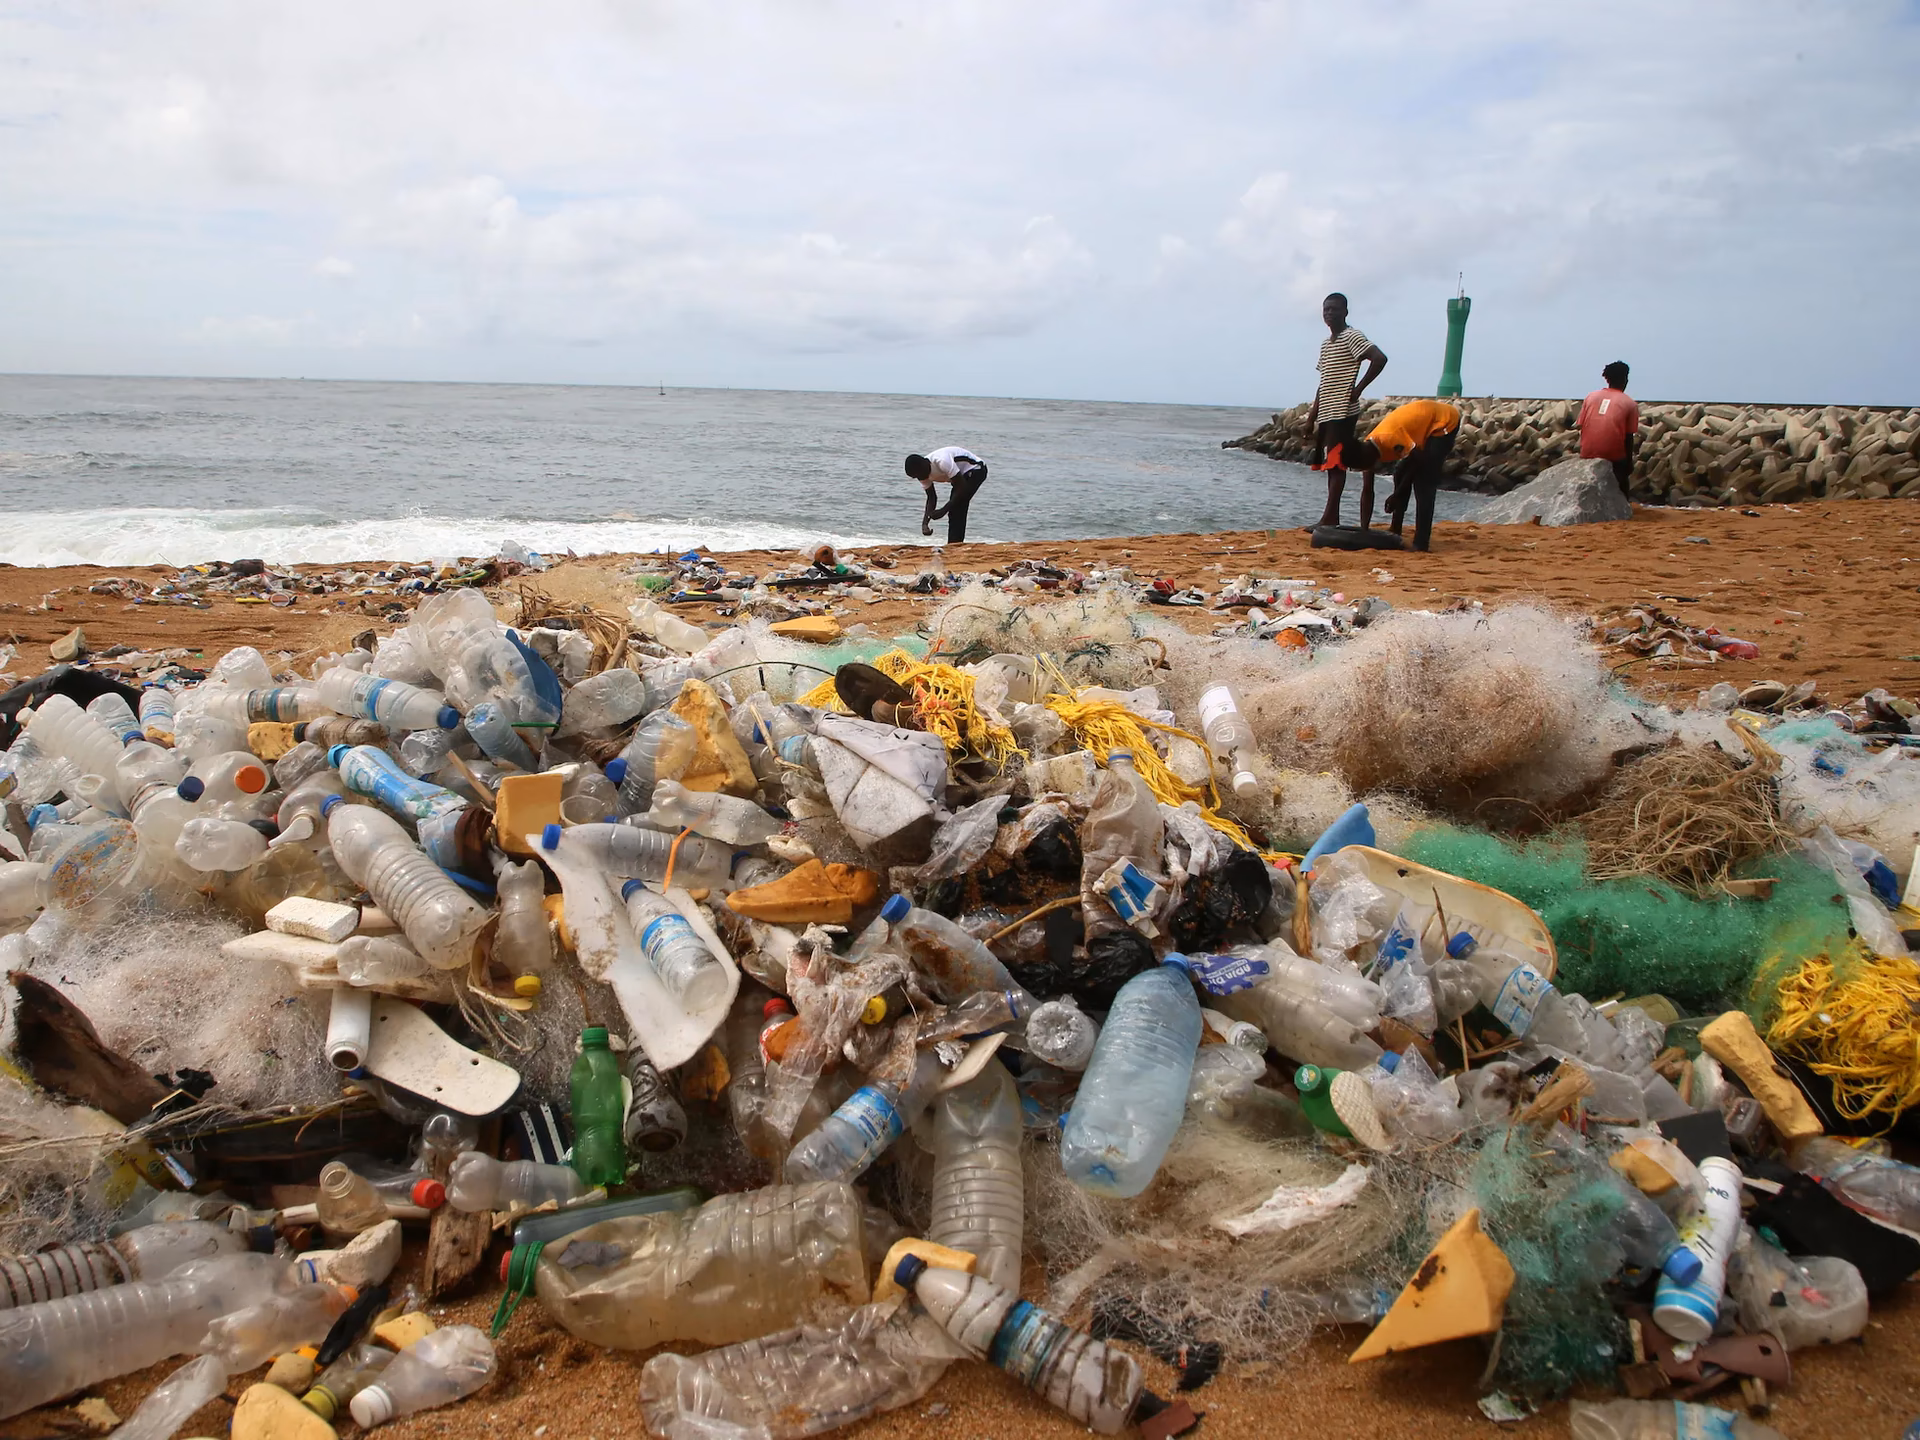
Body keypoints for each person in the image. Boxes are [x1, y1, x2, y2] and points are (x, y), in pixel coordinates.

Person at [1304, 293, 1388, 528]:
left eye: (1334, 309)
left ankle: (1330, 518)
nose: (1329, 313)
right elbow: (1325, 381)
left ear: (1345, 312)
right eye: (1326, 310)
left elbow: (1379, 358)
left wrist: (1358, 389)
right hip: (1327, 412)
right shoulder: (1326, 344)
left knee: (1336, 462)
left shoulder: (1352, 336)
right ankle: (1331, 516)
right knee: (1333, 463)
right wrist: (1312, 417)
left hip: (1343, 410)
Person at [1338, 398, 1461, 551]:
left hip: (1444, 421)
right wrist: (1364, 531)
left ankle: (1421, 543)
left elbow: (1418, 461)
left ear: (1364, 457)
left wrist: (1397, 494)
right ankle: (1396, 528)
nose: (1365, 469)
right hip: (1419, 426)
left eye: (1361, 466)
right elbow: (1367, 490)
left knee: (1424, 481)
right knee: (1399, 473)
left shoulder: (1389, 439)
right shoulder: (1366, 449)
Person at [1577, 361, 1640, 496]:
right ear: (1625, 379)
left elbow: (1583, 426)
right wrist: (1629, 463)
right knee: (1622, 475)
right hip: (1612, 455)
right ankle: (1624, 503)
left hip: (1587, 452)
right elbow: (1628, 437)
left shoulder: (1590, 397)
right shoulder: (1630, 404)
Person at [905, 446, 989, 543]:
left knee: (958, 505)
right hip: (960, 477)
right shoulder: (921, 473)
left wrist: (943, 510)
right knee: (955, 506)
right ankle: (954, 543)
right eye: (915, 477)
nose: (919, 478)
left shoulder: (942, 461)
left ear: (925, 465)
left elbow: (961, 486)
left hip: (976, 469)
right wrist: (925, 523)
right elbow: (931, 497)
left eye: (918, 475)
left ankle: (955, 544)